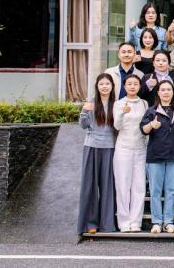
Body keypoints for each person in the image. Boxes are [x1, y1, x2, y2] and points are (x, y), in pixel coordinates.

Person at [140, 80, 174, 234]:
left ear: (173, 92)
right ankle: (157, 222)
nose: (166, 92)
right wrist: (151, 125)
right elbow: (143, 129)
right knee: (155, 191)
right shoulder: (152, 111)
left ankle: (169, 222)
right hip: (155, 156)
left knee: (172, 190)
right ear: (158, 92)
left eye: (168, 90)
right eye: (163, 90)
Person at [77, 73, 117, 234]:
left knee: (108, 187)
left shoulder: (117, 104)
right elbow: (83, 125)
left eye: (107, 84)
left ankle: (107, 223)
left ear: (112, 86)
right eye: (101, 84)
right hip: (91, 147)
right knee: (90, 186)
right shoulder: (91, 103)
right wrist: (84, 111)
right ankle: (90, 224)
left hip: (110, 148)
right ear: (97, 87)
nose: (104, 86)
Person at [112, 74, 149, 232]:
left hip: (140, 148)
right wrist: (122, 113)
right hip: (123, 148)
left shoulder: (144, 103)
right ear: (124, 86)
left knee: (139, 187)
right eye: (129, 84)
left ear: (140, 86)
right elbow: (117, 126)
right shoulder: (119, 103)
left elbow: (146, 126)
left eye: (135, 84)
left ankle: (135, 222)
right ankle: (123, 222)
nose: (132, 86)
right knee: (123, 185)